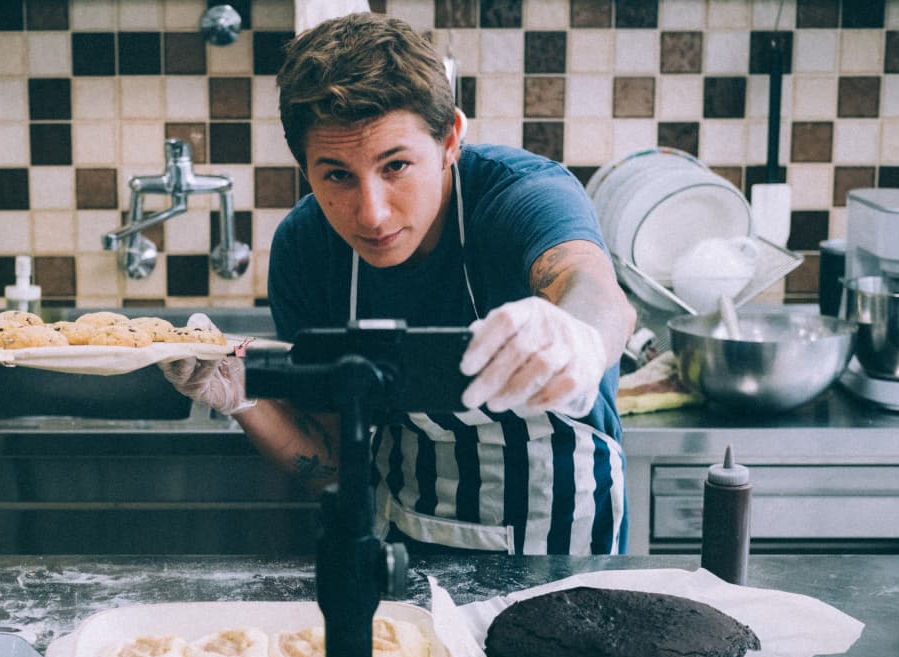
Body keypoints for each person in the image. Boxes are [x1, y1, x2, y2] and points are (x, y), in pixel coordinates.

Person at [162, 13, 636, 555]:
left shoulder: (520, 195)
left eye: (396, 166)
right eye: (337, 174)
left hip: (563, 543)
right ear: (304, 168)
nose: (372, 215)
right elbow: (335, 462)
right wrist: (245, 398)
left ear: (451, 138)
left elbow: (597, 292)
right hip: (406, 543)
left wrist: (576, 334)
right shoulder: (307, 250)